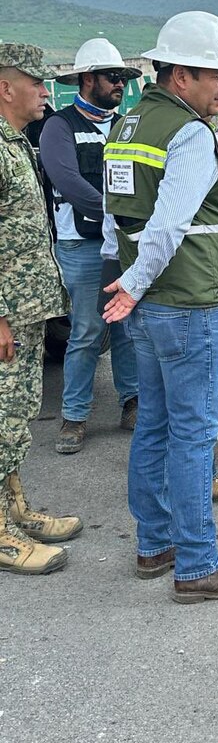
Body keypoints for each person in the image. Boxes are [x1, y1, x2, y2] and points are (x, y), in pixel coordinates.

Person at [101, 12, 218, 603]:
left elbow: (116, 214)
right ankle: (198, 565)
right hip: (185, 302)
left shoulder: (129, 123)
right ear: (179, 74)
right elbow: (169, 226)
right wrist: (136, 284)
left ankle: (155, 544)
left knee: (155, 425)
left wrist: (128, 284)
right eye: (215, 75)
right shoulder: (188, 133)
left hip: (146, 305)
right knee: (194, 435)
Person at [0, 43, 82, 575]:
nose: (45, 94)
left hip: (24, 309)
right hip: (6, 313)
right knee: (1, 419)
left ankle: (12, 509)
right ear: (7, 87)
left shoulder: (16, 143)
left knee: (15, 417)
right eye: (37, 83)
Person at [39, 39, 140, 455]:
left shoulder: (127, 125)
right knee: (85, 331)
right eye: (112, 77)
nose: (120, 84)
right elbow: (68, 183)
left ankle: (132, 402)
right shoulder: (58, 126)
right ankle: (74, 416)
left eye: (122, 78)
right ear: (87, 79)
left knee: (127, 328)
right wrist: (117, 214)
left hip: (123, 246)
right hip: (82, 247)